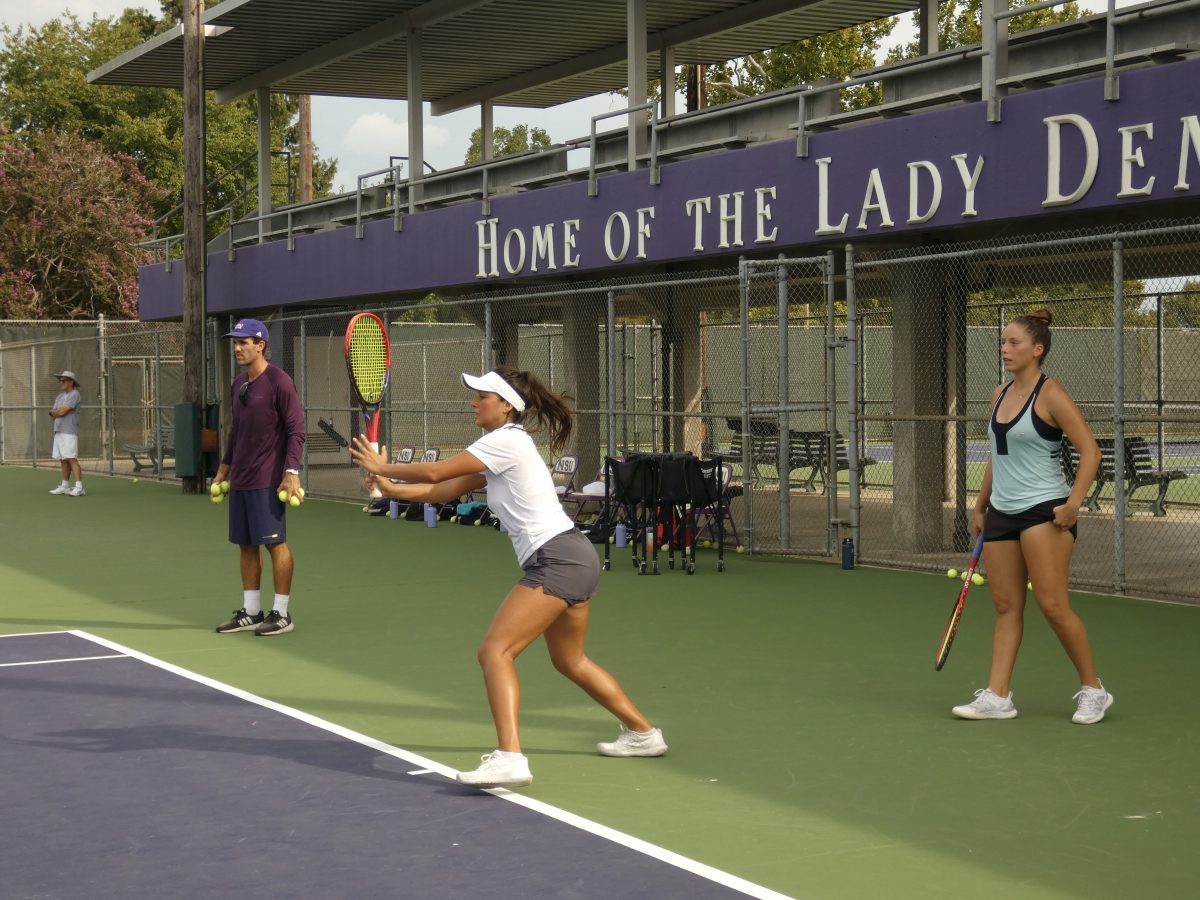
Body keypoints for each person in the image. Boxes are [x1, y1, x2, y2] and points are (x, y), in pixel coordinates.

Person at [349, 366, 666, 789]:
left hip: (556, 560)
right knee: (569, 660)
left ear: (506, 405)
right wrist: (389, 487)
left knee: (494, 652)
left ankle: (510, 757)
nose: (474, 402)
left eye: (482, 396)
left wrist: (383, 465)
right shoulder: (505, 448)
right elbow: (440, 493)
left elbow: (433, 473)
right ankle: (643, 734)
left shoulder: (504, 441)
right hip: (574, 555)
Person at [953, 309, 1113, 725]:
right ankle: (998, 696)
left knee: (1053, 605)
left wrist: (1074, 502)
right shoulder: (998, 394)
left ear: (1037, 349)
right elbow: (998, 454)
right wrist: (981, 505)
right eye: (1003, 343)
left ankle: (1094, 690)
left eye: (1014, 343)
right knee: (1006, 606)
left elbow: (1091, 452)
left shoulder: (1051, 394)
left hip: (1046, 512)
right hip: (1003, 513)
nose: (1005, 349)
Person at [213, 318, 306, 637]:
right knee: (245, 545)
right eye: (235, 343)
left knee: (275, 544)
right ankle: (251, 611)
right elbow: (236, 431)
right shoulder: (239, 384)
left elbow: (297, 430)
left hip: (270, 480)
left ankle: (281, 613)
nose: (237, 348)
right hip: (241, 479)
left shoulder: (280, 382)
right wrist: (224, 468)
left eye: (243, 342)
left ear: (261, 344)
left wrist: (291, 472)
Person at [48, 371, 85, 497]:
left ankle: (79, 487)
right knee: (63, 459)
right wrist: (56, 412)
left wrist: (57, 411)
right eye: (60, 380)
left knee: (71, 459)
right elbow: (53, 412)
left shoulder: (75, 394)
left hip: (69, 431)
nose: (61, 383)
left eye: (63, 381)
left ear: (71, 382)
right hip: (58, 430)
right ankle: (65, 486)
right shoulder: (60, 397)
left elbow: (62, 411)